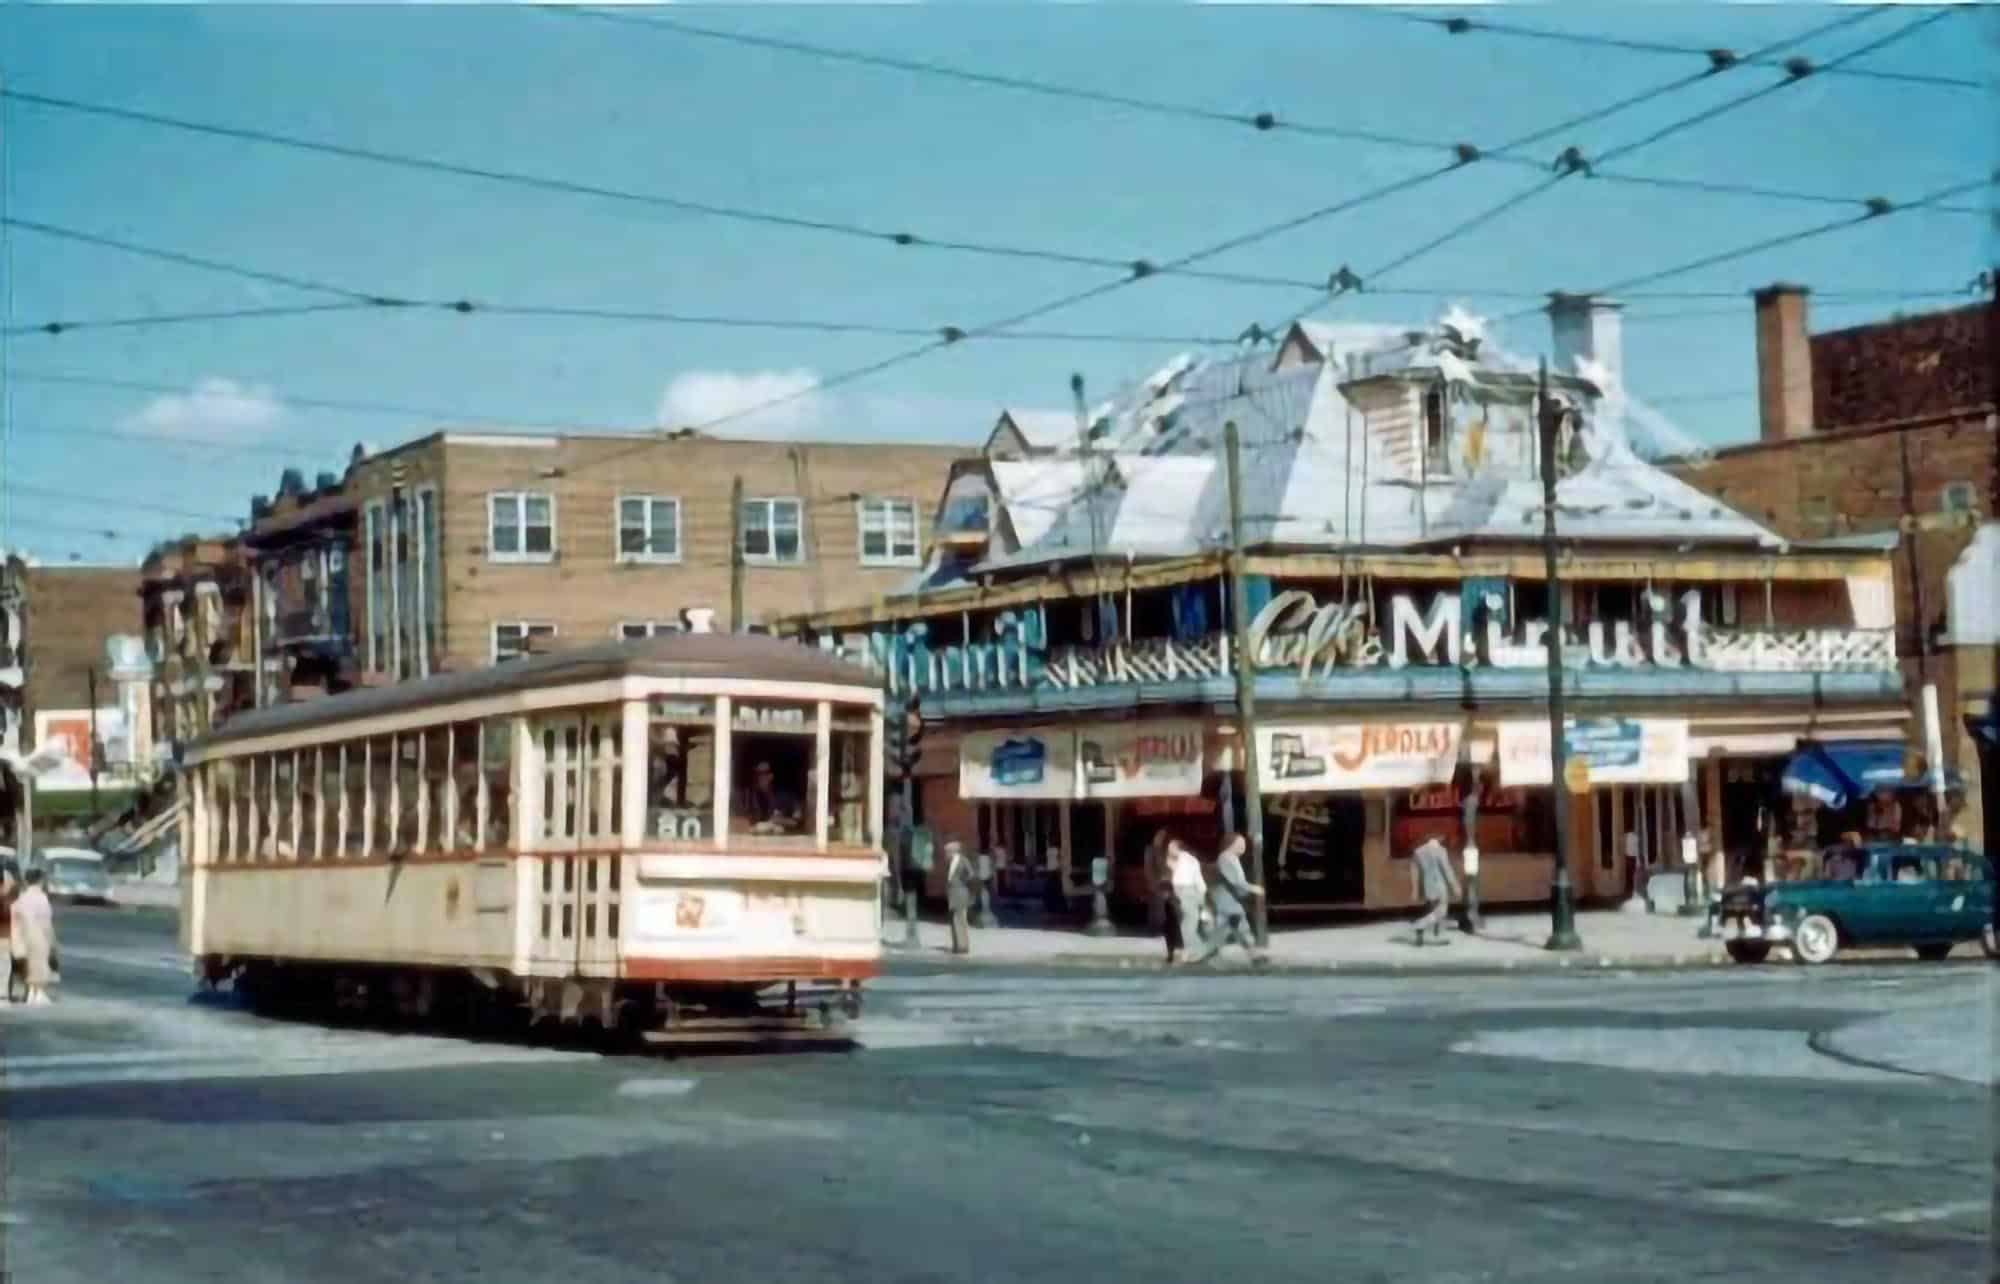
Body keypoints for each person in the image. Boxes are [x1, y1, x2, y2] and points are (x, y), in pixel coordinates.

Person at [1195, 831, 1266, 966]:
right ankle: (1204, 953)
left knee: (1239, 926)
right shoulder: (1226, 858)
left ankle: (1254, 955)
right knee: (1226, 927)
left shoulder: (1231, 858)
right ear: (1231, 844)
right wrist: (1253, 888)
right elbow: (1235, 880)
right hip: (1225, 898)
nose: (1243, 846)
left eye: (1243, 844)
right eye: (1239, 843)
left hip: (1229, 898)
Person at [10, 866, 56, 1005]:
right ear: (41, 881)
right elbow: (46, 921)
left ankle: (30, 993)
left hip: (21, 935)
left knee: (28, 965)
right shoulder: (41, 898)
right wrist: (51, 939)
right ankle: (38, 994)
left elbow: (15, 915)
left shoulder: (21, 898)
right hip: (38, 934)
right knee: (40, 965)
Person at [1410, 834, 1460, 946]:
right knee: (1441, 911)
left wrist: (1415, 889)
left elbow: (1414, 871)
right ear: (1439, 839)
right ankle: (1420, 925)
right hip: (1439, 885)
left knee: (1434, 911)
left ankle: (1431, 935)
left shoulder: (1419, 851)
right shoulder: (1441, 851)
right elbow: (1447, 870)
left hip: (1428, 887)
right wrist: (1455, 886)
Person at [1166, 837, 1207, 967]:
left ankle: (1199, 950)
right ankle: (1195, 951)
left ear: (1178, 848)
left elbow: (1181, 879)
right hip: (1191, 892)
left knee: (1188, 924)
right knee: (1189, 923)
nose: (1169, 850)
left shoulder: (1184, 860)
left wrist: (1172, 866)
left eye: (1171, 848)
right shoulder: (1189, 859)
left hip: (1187, 892)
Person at [738, 760, 802, 834]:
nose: (759, 778)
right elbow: (735, 821)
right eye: (756, 774)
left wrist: (779, 821)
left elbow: (798, 821)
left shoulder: (786, 797)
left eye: (763, 774)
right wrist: (755, 827)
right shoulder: (747, 796)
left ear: (771, 776)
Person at [944, 839, 974, 955]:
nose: (946, 854)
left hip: (960, 892)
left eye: (947, 851)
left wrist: (962, 882)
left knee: (961, 919)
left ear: (953, 851)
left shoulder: (963, 860)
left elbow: (970, 874)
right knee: (953, 919)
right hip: (952, 893)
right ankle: (956, 945)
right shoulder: (950, 862)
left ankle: (963, 946)